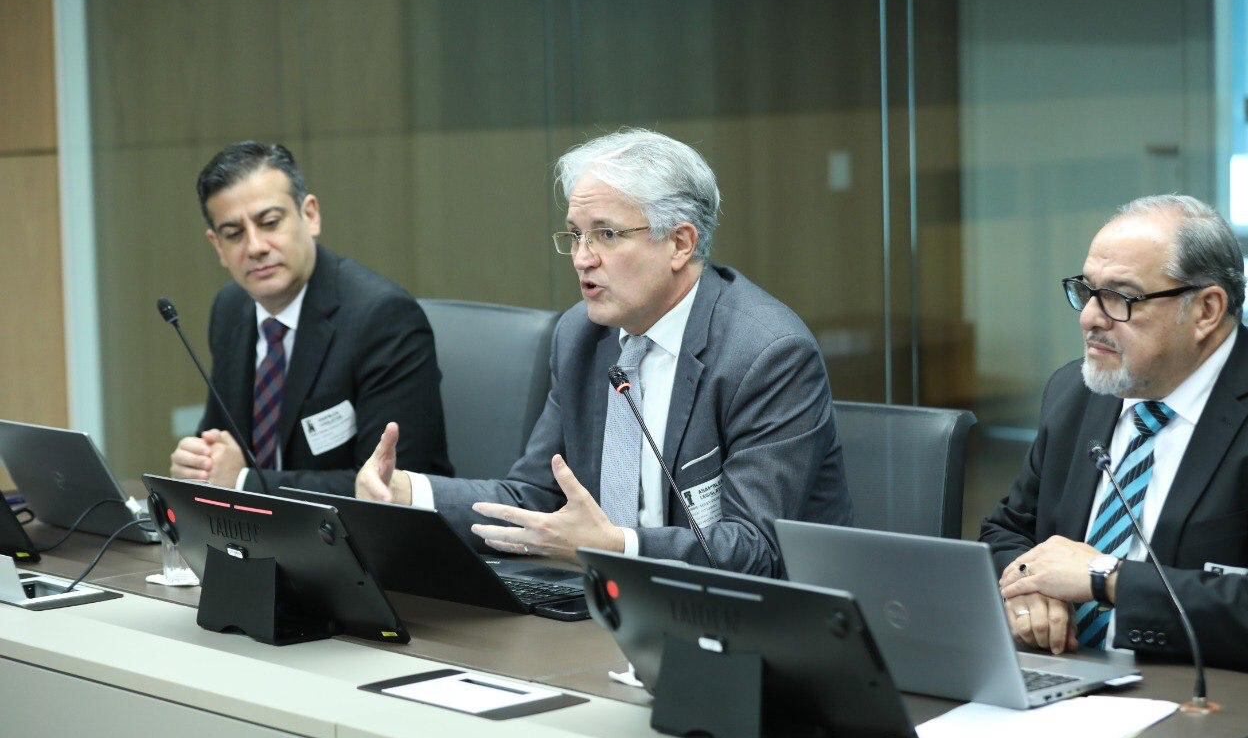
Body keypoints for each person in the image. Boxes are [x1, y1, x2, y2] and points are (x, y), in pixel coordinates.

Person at [357, 129, 851, 575]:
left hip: (744, 629)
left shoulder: (766, 354)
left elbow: (755, 549)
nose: (581, 258)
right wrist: (410, 494)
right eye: (575, 235)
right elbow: (535, 498)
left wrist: (615, 547)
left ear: (679, 244)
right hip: (607, 609)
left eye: (606, 235)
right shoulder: (582, 336)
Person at [983, 194, 1248, 676]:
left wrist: (1107, 578)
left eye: (1121, 297)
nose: (1090, 318)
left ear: (1206, 309)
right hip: (1062, 673)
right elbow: (1009, 531)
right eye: (1087, 291)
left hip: (1208, 698)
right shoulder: (1076, 392)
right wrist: (1028, 590)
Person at [169, 141, 452, 494]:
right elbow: (222, 441)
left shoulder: (383, 318)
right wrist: (201, 462)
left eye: (270, 222)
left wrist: (244, 482)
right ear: (217, 247)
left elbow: (391, 483)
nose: (255, 246)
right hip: (264, 538)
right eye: (234, 234)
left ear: (311, 215)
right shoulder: (231, 309)